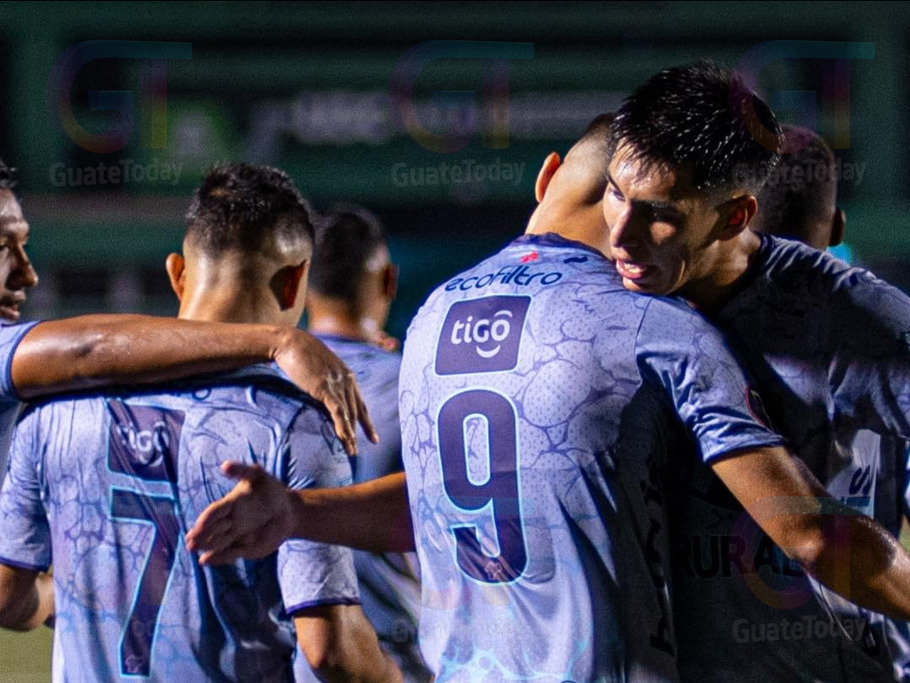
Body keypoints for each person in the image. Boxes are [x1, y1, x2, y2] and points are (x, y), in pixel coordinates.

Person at [187, 114, 910, 682]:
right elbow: (811, 532)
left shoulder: (437, 313)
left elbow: (468, 492)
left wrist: (300, 512)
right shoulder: (648, 322)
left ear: (547, 176)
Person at [0, 163, 401, 682]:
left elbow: (9, 596)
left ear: (177, 274)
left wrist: (87, 594)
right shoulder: (294, 423)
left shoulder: (50, 411)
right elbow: (330, 651)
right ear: (295, 281)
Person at [601, 62, 910, 681]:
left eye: (659, 212)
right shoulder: (596, 299)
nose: (622, 236)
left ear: (736, 216)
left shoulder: (845, 317)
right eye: (613, 194)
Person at [0, 159, 373, 461]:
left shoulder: (52, 419)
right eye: (4, 247)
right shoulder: (297, 430)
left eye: (24, 246)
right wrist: (279, 341)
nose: (28, 274)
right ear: (294, 281)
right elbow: (89, 348)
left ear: (178, 275)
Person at [305, 205, 431, 682]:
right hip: (395, 652)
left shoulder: (263, 383)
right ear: (388, 280)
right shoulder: (417, 383)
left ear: (299, 285)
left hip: (291, 653)